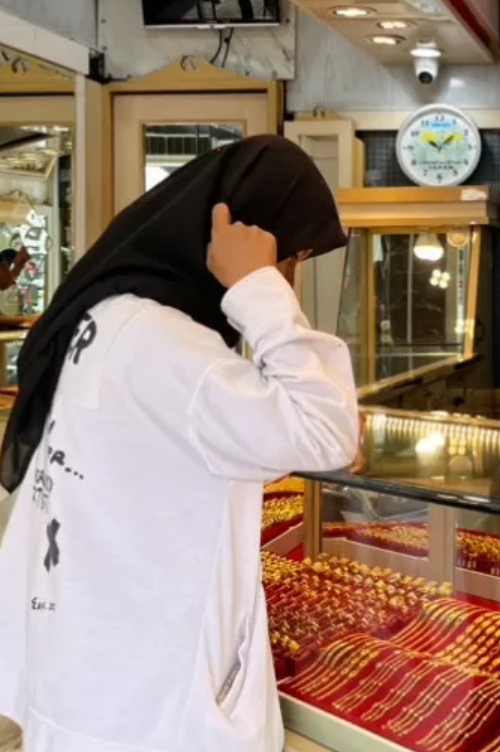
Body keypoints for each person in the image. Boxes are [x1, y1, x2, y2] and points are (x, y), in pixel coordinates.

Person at [0, 135, 359, 752]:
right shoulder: (161, 345)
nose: (291, 279)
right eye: (287, 256)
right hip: (146, 708)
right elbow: (327, 433)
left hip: (93, 678)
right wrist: (258, 291)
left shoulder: (108, 318)